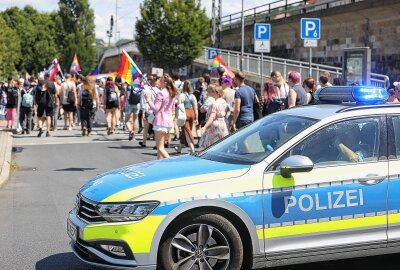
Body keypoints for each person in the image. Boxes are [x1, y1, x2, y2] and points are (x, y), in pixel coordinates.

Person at [144, 75, 178, 159]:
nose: (159, 81)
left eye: (161, 80)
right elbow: (173, 109)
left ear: (165, 83)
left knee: (160, 147)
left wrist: (148, 100)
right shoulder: (171, 94)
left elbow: (155, 109)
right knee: (160, 147)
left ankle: (171, 162)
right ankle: (159, 165)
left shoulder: (161, 93)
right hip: (168, 121)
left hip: (160, 121)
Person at [175, 80, 198, 154]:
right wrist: (196, 118)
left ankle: (192, 149)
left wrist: (177, 117)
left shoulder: (181, 95)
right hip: (192, 113)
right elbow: (196, 108)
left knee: (187, 131)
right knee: (186, 130)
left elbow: (179, 106)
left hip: (185, 113)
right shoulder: (193, 96)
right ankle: (179, 148)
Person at [139, 75, 160, 147]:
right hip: (155, 111)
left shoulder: (145, 90)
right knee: (155, 129)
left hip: (148, 111)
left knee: (145, 128)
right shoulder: (158, 91)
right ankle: (156, 144)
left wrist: (143, 112)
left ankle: (144, 142)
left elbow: (143, 102)